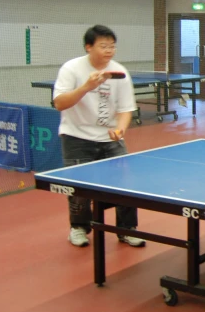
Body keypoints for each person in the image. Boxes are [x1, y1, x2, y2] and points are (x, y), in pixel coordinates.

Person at [53, 25, 145, 248]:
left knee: (125, 185)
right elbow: (59, 103)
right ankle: (78, 228)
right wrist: (86, 87)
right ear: (88, 47)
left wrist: (121, 129)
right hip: (76, 137)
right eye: (103, 46)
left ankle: (126, 229)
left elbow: (125, 109)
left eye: (112, 46)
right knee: (78, 189)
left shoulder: (120, 72)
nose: (109, 50)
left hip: (110, 139)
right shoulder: (71, 69)